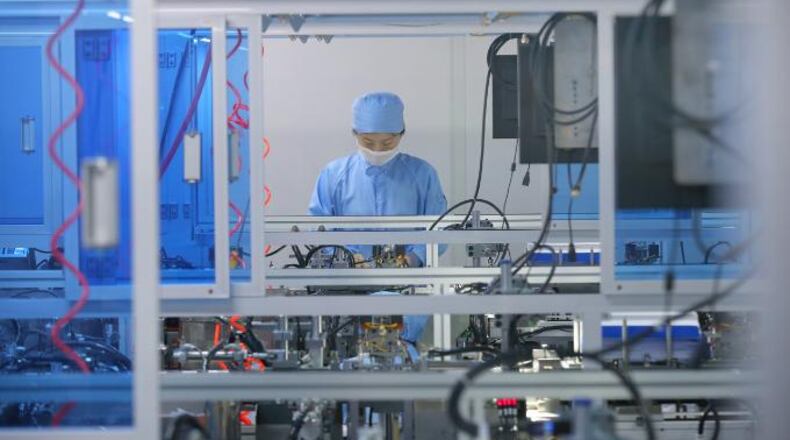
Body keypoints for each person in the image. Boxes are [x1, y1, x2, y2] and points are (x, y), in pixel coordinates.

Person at [308, 91, 447, 358]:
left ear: (402, 134)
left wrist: (412, 258)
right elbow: (319, 229)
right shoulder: (334, 175)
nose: (378, 150)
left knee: (399, 356)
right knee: (348, 356)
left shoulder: (422, 174)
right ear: (354, 133)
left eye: (387, 142)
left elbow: (437, 230)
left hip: (407, 292)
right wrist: (347, 257)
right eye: (368, 141)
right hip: (349, 293)